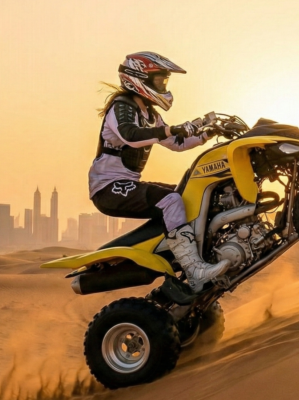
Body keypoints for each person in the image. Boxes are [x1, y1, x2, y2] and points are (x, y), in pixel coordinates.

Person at [88, 51, 229, 293]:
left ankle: (198, 256)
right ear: (139, 79)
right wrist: (173, 129)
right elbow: (130, 136)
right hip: (108, 188)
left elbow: (177, 143)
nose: (163, 85)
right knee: (171, 200)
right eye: (159, 80)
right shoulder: (121, 107)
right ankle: (194, 269)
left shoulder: (150, 114)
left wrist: (208, 132)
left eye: (165, 81)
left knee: (185, 195)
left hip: (124, 184)